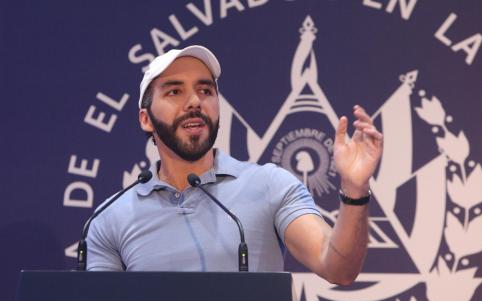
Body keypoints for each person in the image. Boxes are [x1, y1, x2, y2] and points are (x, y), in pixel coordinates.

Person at [87, 45, 383, 286]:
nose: (194, 102)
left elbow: (338, 268)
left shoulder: (269, 185)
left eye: (205, 91)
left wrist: (354, 189)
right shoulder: (110, 217)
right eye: (174, 92)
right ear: (145, 119)